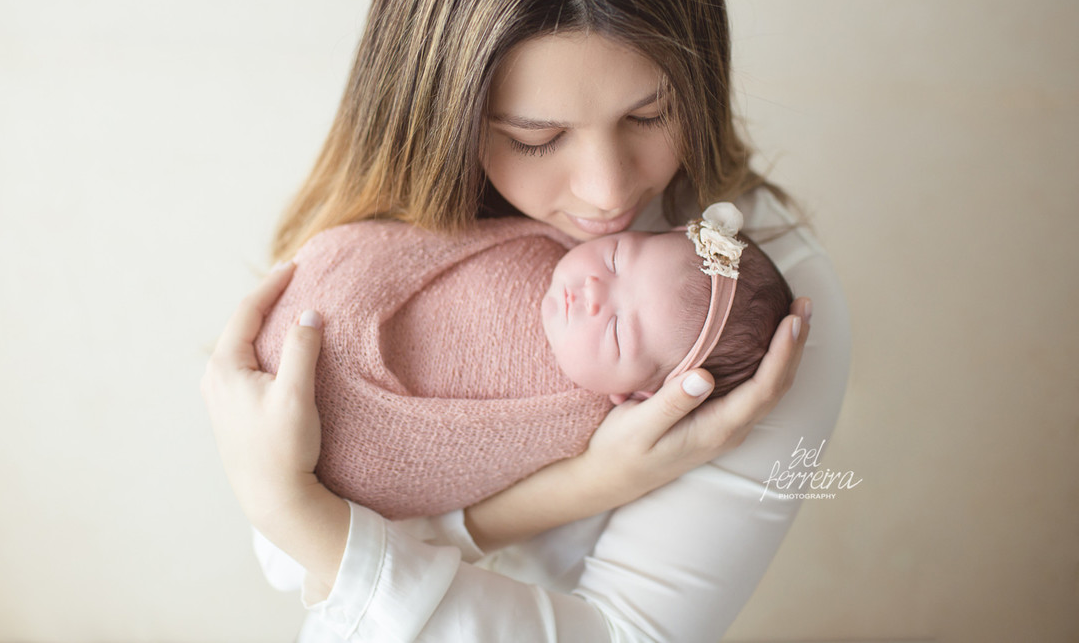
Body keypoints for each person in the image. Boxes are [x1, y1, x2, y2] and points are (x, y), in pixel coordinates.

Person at [200, 0, 851, 640]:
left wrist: (295, 510)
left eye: (650, 113)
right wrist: (580, 486)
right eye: (537, 139)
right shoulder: (401, 232)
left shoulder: (755, 319)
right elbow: (294, 550)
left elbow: (628, 635)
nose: (607, 191)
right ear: (443, 115)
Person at [250, 202, 792, 521]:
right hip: (306, 313)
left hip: (306, 441)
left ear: (641, 397)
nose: (594, 291)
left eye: (617, 331)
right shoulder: (542, 239)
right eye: (616, 258)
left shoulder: (577, 426)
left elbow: (432, 463)